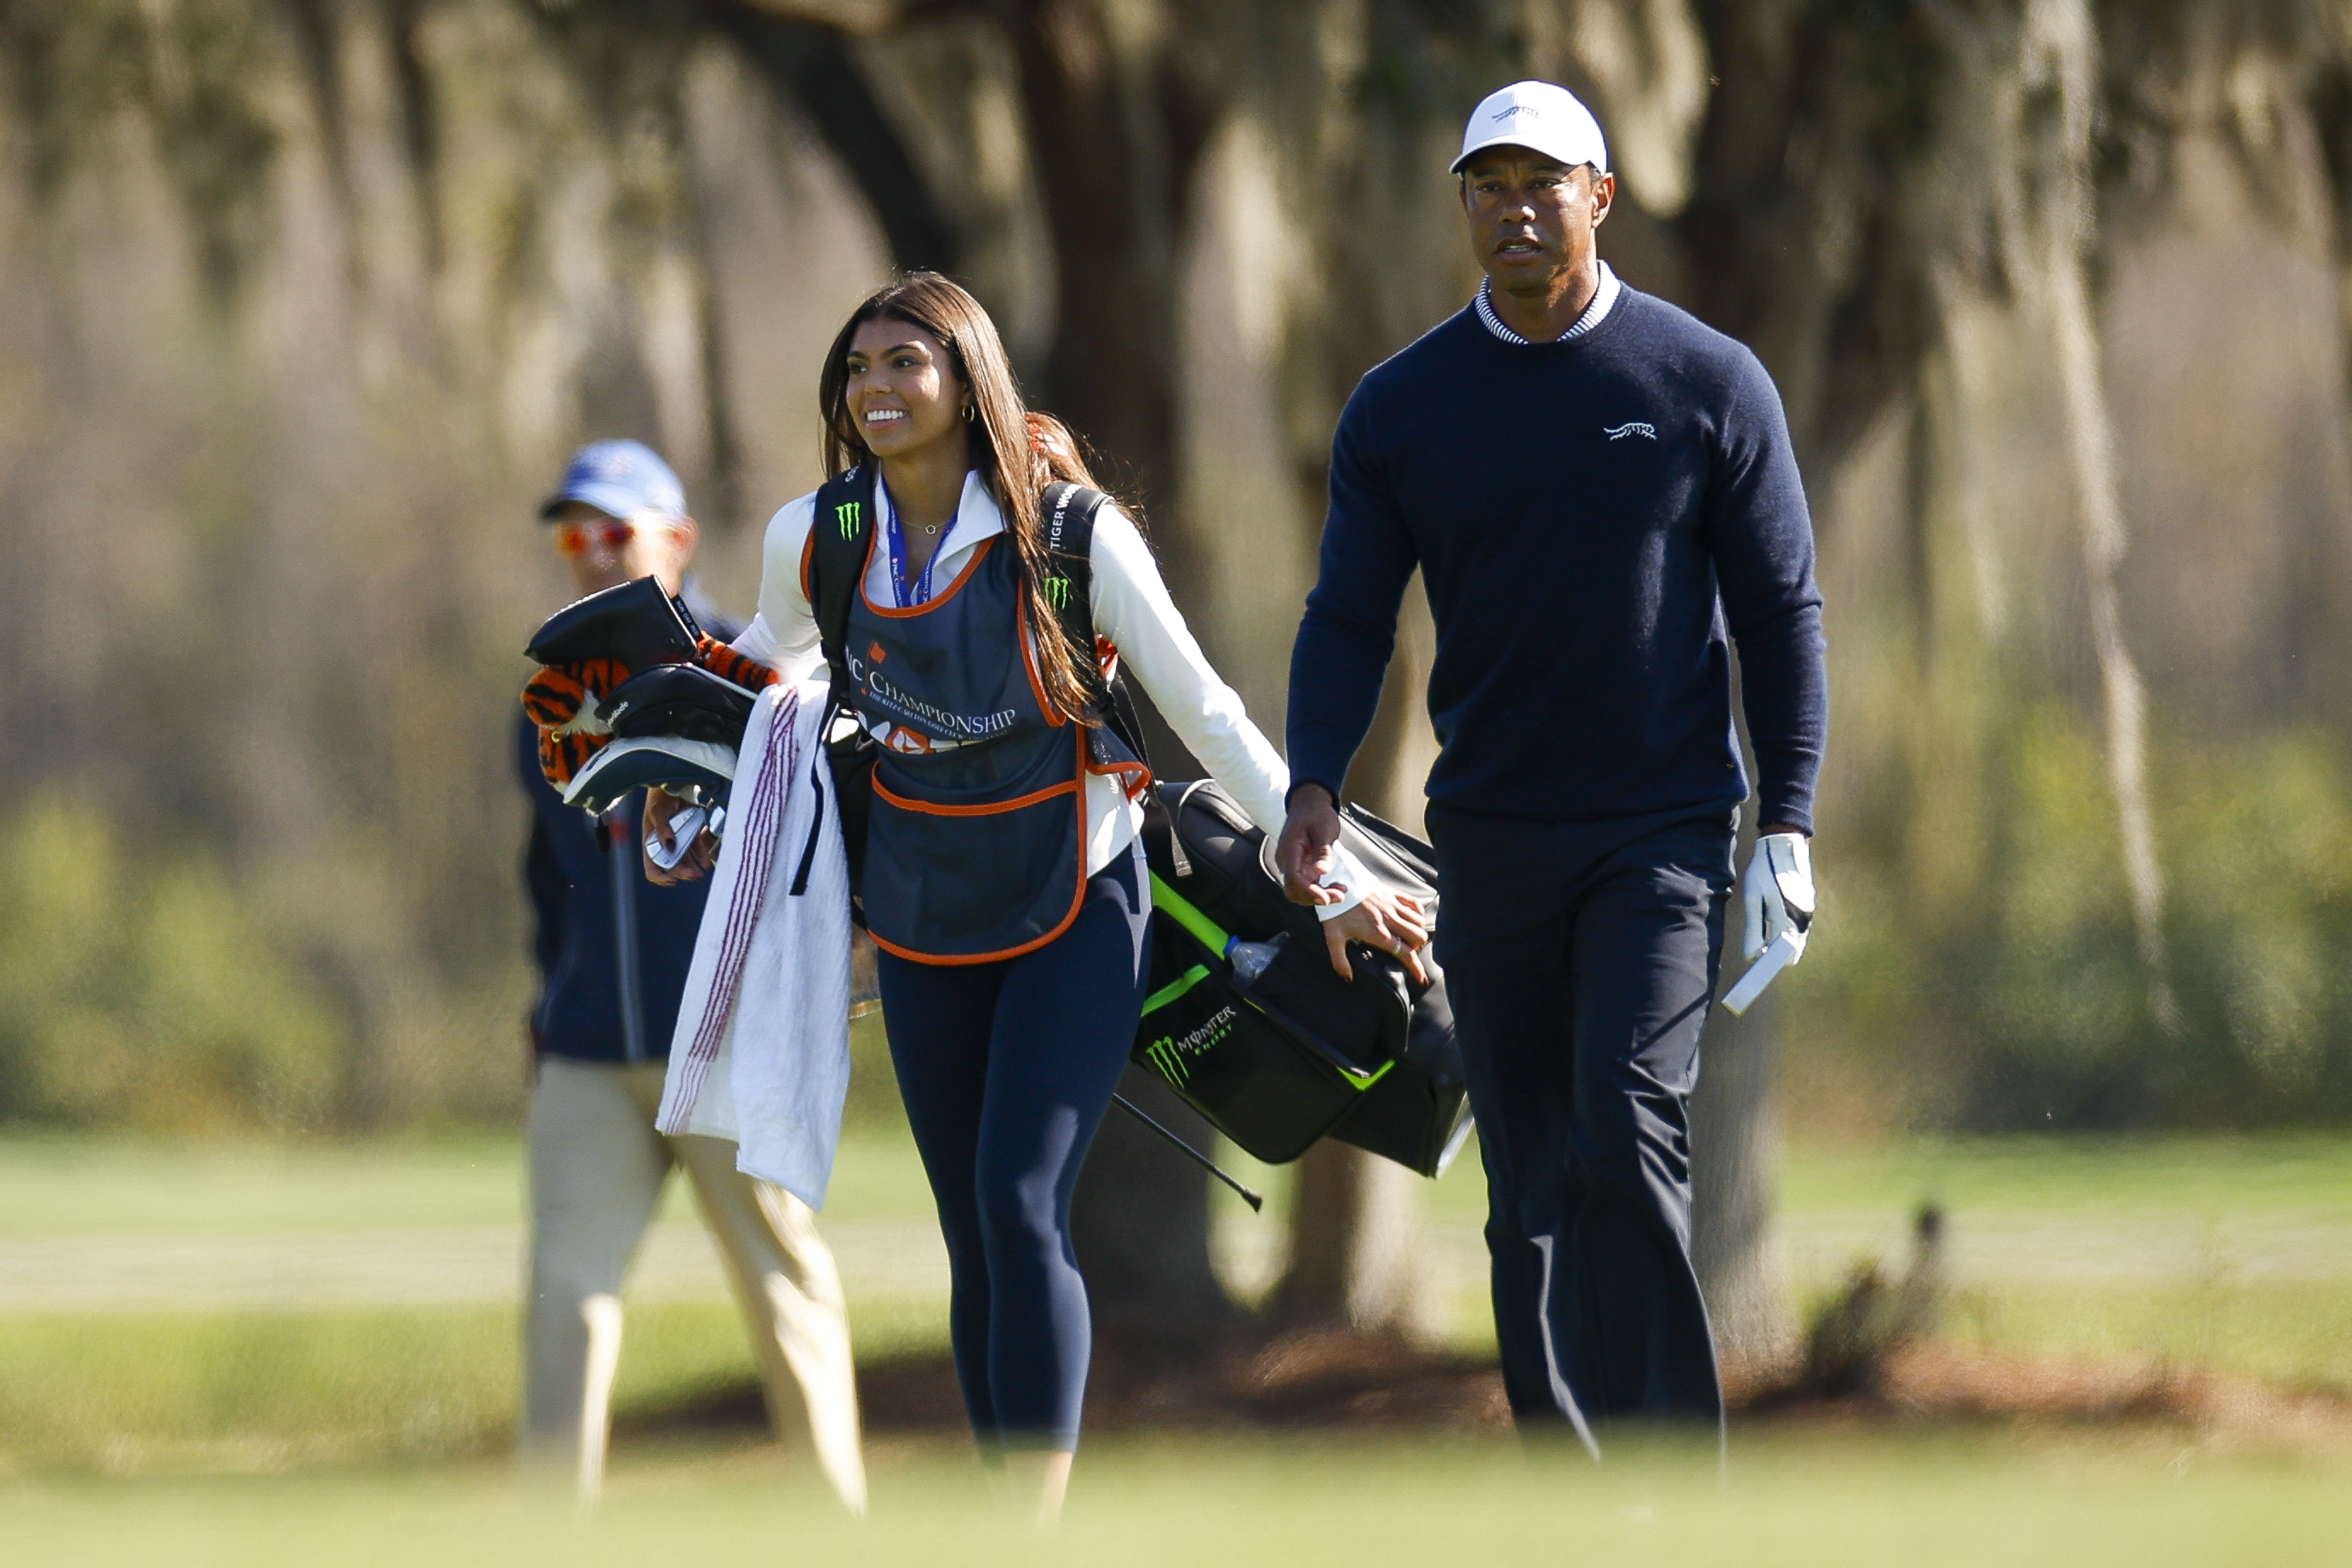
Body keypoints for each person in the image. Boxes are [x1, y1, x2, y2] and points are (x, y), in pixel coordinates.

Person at [645, 275, 1427, 1521]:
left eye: (908, 362)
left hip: (1078, 903)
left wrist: (1325, 880)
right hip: (918, 911)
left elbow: (1208, 715)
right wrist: (687, 787)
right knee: (971, 1228)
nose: (878, 389)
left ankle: (1032, 1526)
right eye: (859, 370)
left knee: (1021, 1199)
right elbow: (777, 671)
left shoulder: (1073, 539)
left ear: (968, 382)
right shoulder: (819, 537)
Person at [1277, 81, 1828, 1451]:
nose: (1516, 209)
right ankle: (1566, 1474)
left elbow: (1781, 614)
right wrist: (1310, 785)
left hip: (1665, 834)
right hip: (1491, 837)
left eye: (1544, 183)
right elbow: (1349, 615)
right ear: (1463, 203)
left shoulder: (1707, 382)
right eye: (1489, 185)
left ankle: (1669, 1475)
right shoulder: (1402, 406)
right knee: (1525, 1181)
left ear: (1602, 197)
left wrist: (1791, 820)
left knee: (1624, 1123)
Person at [518, 439, 866, 1509]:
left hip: (722, 1045)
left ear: (678, 541)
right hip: (589, 1053)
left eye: (616, 532)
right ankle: (546, 1533)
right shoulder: (549, 694)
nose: (593, 555)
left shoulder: (755, 667)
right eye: (579, 536)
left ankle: (838, 1524)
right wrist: (545, 1006)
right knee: (567, 1296)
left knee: (784, 1287)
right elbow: (545, 876)